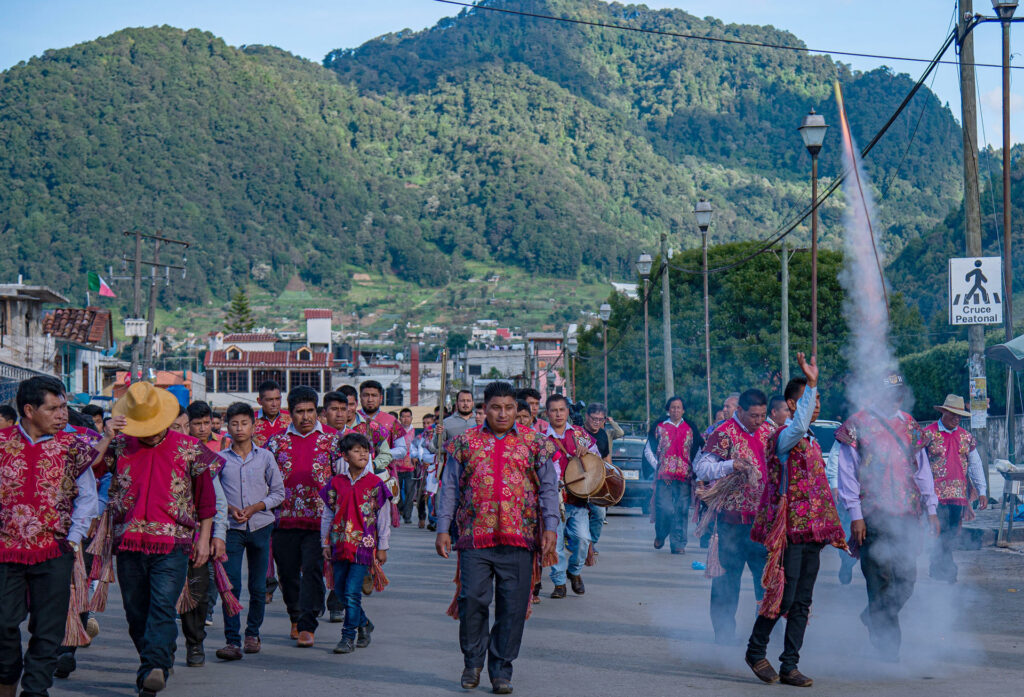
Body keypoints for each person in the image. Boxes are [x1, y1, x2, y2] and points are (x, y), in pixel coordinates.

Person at [436, 381, 559, 694]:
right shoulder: (464, 443)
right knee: (472, 600)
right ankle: (472, 661)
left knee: (512, 607)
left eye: (508, 408)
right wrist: (442, 528)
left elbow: (548, 488)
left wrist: (551, 528)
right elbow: (449, 487)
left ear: (517, 410)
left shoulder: (536, 442)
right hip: (474, 536)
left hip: (520, 537)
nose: (502, 414)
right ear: (484, 408)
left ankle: (502, 669)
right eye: (495, 407)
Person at [101, 382, 219, 697]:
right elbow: (90, 467)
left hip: (173, 544)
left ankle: (152, 669)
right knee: (135, 612)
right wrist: (106, 436)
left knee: (162, 607)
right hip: (128, 543)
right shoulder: (119, 445)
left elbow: (206, 501)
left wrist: (205, 540)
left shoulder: (191, 448)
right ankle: (158, 660)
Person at [745, 354, 847, 688]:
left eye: (817, 399)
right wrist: (812, 380)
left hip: (812, 532)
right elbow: (800, 423)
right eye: (809, 399)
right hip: (789, 531)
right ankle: (755, 650)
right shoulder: (786, 436)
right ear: (792, 404)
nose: (816, 404)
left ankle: (790, 665)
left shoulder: (813, 438)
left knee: (802, 602)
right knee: (783, 597)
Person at [0, 377, 99, 697]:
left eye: (65, 407)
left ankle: (35, 690)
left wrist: (73, 538)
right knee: (3, 625)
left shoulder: (75, 448)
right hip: (5, 551)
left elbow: (87, 498)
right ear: (29, 410)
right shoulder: (0, 444)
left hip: (54, 550)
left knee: (48, 631)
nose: (63, 415)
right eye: (54, 408)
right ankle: (7, 674)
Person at [835, 374, 940, 660]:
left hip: (906, 514)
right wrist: (855, 515)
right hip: (873, 515)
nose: (893, 397)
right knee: (879, 580)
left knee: (906, 580)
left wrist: (931, 509)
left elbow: (922, 470)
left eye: (897, 392)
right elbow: (847, 473)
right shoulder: (857, 424)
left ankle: (874, 616)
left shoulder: (909, 424)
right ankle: (888, 649)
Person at [693, 388, 773, 645]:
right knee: (726, 585)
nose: (758, 421)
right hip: (731, 525)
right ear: (740, 411)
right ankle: (724, 640)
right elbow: (701, 468)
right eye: (753, 415)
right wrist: (730, 465)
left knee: (768, 584)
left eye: (762, 415)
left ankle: (767, 639)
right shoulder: (723, 433)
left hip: (762, 524)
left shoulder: (769, 432)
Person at [265, 387, 337, 648]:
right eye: (299, 412)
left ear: (317, 411)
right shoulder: (274, 442)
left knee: (313, 570)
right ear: (290, 413)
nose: (305, 417)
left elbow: (342, 478)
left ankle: (307, 624)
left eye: (310, 411)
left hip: (321, 520)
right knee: (287, 573)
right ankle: (294, 616)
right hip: (283, 519)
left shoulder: (334, 440)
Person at [213, 402, 285, 661]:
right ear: (226, 427)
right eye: (234, 424)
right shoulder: (219, 460)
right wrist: (231, 509)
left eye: (244, 423)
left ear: (254, 427)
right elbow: (213, 495)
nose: (239, 428)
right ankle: (232, 641)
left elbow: (279, 492)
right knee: (230, 586)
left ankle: (252, 633)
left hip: (260, 527)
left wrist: (256, 507)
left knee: (257, 586)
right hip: (231, 529)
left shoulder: (265, 457)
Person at [320, 433, 392, 654]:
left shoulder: (376, 483)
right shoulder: (335, 483)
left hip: (364, 546)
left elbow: (383, 517)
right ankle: (365, 623)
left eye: (365, 449)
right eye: (356, 450)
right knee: (340, 592)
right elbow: (327, 515)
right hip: (339, 544)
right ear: (344, 456)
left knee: (352, 593)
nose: (362, 453)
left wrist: (383, 546)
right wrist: (324, 543)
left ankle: (348, 637)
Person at [922, 394, 987, 583]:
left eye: (959, 416)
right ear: (943, 412)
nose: (956, 418)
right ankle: (948, 569)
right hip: (935, 495)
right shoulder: (928, 434)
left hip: (958, 495)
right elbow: (918, 464)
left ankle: (937, 565)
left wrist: (981, 491)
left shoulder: (966, 437)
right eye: (953, 414)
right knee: (940, 530)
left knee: (950, 532)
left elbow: (975, 464)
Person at [544, 394, 599, 598]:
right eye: (554, 410)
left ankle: (574, 571)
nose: (558, 414)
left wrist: (587, 454)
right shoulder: (542, 439)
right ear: (547, 413)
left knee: (583, 539)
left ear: (567, 411)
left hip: (578, 499)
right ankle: (559, 583)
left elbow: (597, 461)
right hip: (552, 501)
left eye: (562, 410)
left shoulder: (580, 434)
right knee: (556, 544)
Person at [580, 403, 624, 558]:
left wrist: (611, 476)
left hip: (597, 483)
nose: (597, 422)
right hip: (578, 480)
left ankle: (591, 544)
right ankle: (578, 543)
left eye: (600, 419)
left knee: (599, 514)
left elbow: (606, 456)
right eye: (594, 418)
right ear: (587, 416)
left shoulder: (604, 435)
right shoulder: (578, 432)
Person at [652, 397, 695, 555]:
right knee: (665, 508)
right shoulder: (659, 428)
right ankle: (661, 534)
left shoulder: (690, 429)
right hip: (665, 478)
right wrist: (660, 469)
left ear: (683, 410)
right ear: (668, 409)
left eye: (679, 407)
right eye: (673, 407)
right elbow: (650, 450)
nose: (676, 410)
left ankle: (678, 543)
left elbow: (696, 452)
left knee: (682, 510)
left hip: (684, 476)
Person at [253, 381, 290, 448]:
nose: (274, 404)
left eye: (277, 399)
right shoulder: (250, 420)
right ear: (259, 401)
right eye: (269, 400)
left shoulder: (291, 419)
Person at [396, 408, 417, 524]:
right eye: (403, 417)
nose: (406, 419)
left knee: (410, 492)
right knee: (397, 492)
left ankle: (407, 516)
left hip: (411, 467)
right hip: (397, 466)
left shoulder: (416, 433)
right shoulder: (396, 432)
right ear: (400, 419)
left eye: (408, 416)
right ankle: (399, 511)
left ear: (412, 418)